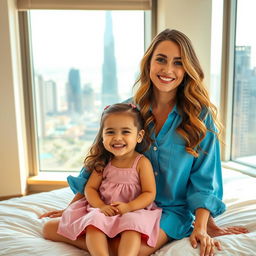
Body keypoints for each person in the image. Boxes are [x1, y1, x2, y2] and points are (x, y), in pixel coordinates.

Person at [41, 29, 248, 256]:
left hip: (170, 212)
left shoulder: (199, 118)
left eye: (178, 63)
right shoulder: (128, 111)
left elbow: (204, 180)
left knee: (133, 250)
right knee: (51, 229)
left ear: (187, 69)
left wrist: (202, 227)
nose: (168, 70)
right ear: (149, 63)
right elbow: (98, 160)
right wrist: (72, 209)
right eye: (161, 59)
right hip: (123, 204)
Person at [47, 103, 162, 256]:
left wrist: (129, 207)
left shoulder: (142, 163)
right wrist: (100, 206)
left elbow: (149, 193)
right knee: (92, 222)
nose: (117, 138)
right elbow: (90, 189)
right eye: (110, 132)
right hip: (104, 209)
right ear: (102, 136)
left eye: (126, 132)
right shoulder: (103, 162)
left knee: (132, 227)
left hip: (132, 210)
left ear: (139, 136)